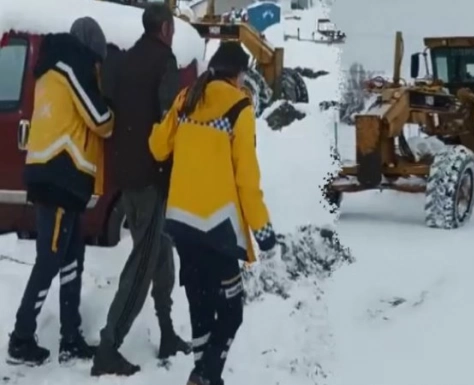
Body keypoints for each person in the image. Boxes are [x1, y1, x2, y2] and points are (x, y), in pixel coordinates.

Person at [148, 41, 277, 385]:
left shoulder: (186, 99)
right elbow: (247, 178)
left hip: (182, 226)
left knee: (201, 307)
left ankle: (202, 376)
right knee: (231, 312)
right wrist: (262, 229)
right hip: (218, 229)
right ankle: (206, 376)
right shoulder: (240, 108)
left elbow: (158, 148)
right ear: (238, 75)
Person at [91, 3, 190, 377]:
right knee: (144, 262)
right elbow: (169, 117)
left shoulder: (128, 58)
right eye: (173, 27)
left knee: (160, 250)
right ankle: (108, 346)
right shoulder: (164, 61)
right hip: (152, 175)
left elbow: (113, 105)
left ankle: (165, 330)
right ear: (164, 28)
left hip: (127, 173)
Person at [6, 17, 112, 366]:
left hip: (54, 175)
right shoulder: (72, 66)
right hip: (60, 176)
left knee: (71, 258)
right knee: (50, 260)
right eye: (98, 59)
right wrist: (111, 104)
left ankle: (70, 336)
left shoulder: (49, 68)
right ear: (91, 50)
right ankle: (21, 339)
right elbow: (100, 119)